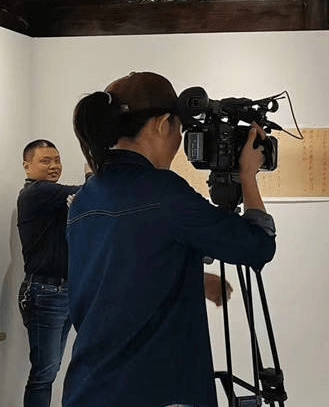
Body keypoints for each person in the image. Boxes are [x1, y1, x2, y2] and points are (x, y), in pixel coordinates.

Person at [62, 71, 276, 407]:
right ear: (163, 124)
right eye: (179, 127)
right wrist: (247, 176)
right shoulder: (164, 193)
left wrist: (196, 279)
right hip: (157, 389)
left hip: (89, 388)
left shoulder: (86, 197)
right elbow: (258, 246)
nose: (180, 139)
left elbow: (125, 271)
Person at [17, 139, 82, 407]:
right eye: (46, 161)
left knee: (51, 370)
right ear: (27, 166)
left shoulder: (52, 198)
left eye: (57, 160)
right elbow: (87, 192)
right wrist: (94, 173)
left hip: (62, 290)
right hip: (45, 292)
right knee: (44, 373)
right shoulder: (37, 192)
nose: (54, 166)